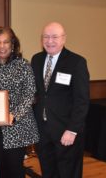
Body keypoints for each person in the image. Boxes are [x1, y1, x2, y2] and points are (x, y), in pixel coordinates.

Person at [31, 22, 90, 178]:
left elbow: (82, 101)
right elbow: (37, 94)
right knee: (48, 171)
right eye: (46, 37)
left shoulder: (76, 62)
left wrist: (72, 130)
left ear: (63, 39)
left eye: (55, 37)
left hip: (66, 131)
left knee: (68, 173)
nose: (50, 41)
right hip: (43, 131)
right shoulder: (36, 60)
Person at [0, 26, 39, 178]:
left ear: (13, 44)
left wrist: (14, 114)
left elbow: (29, 94)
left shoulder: (23, 65)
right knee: (0, 168)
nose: (2, 46)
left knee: (15, 169)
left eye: (6, 42)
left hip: (16, 127)